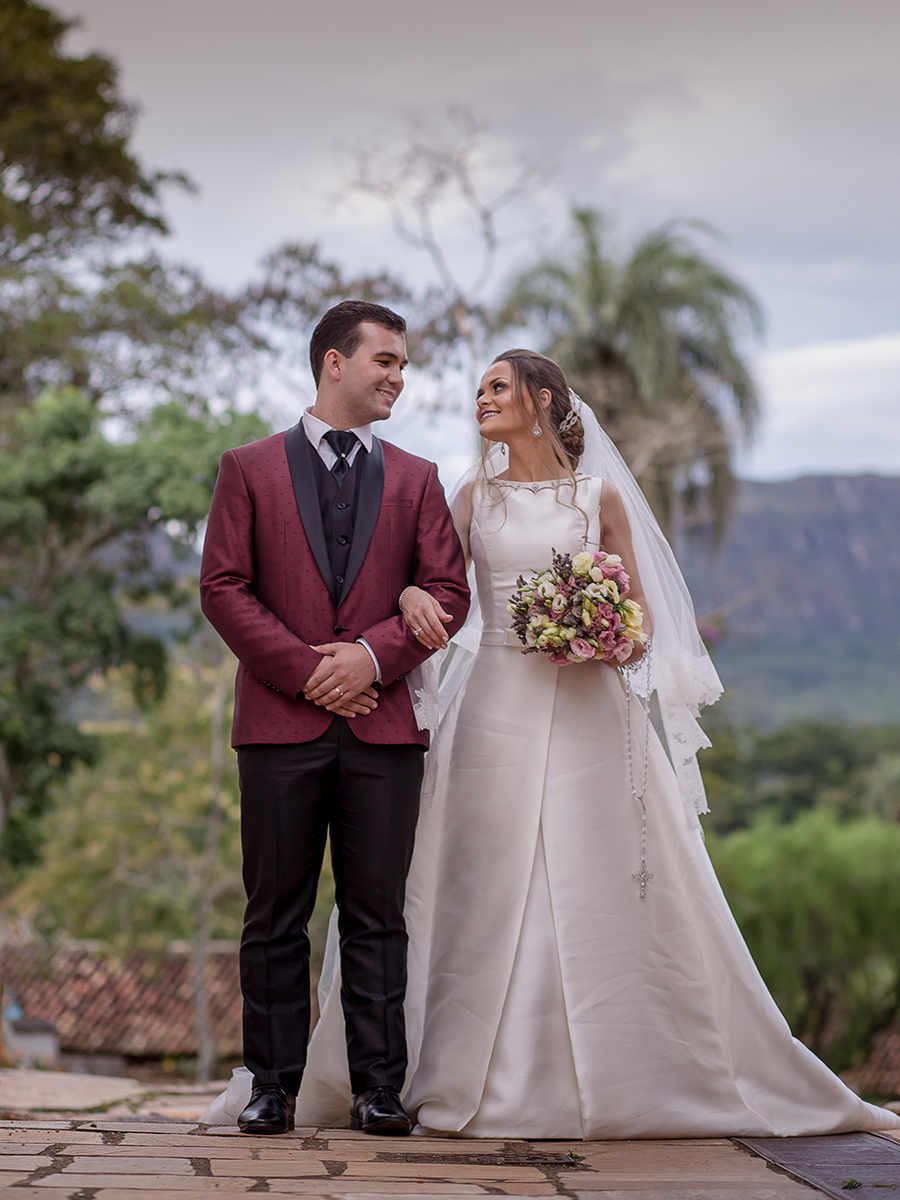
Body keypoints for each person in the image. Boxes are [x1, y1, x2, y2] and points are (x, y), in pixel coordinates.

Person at [291, 347, 900, 1139]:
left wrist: (603, 631)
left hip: (587, 704)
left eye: (498, 387)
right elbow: (433, 586)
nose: (482, 398)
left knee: (592, 870)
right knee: (476, 870)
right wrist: (408, 592)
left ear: (542, 399)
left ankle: (632, 1072)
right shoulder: (473, 496)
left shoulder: (597, 496)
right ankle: (456, 1069)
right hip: (494, 706)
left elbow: (642, 616)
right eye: (479, 389)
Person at [199, 300, 469, 1137]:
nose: (398, 377)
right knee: (273, 913)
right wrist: (315, 672)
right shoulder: (246, 468)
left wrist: (373, 658)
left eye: (404, 365)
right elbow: (223, 588)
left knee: (378, 914)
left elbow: (451, 595)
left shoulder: (421, 479)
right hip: (279, 727)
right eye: (385, 361)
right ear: (333, 364)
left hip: (386, 731)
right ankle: (270, 1086)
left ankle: (378, 1088)